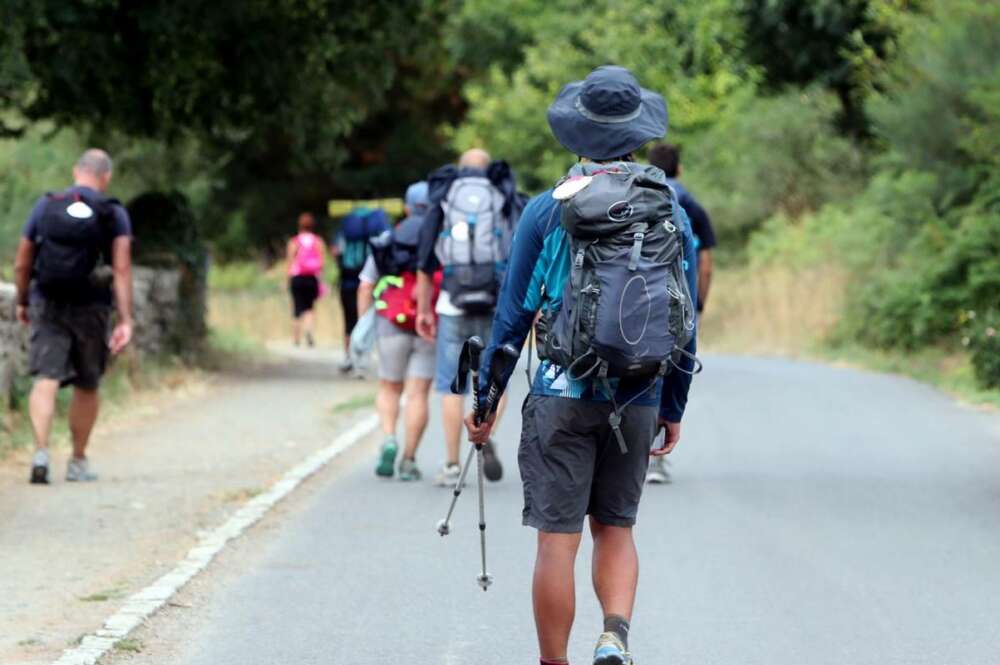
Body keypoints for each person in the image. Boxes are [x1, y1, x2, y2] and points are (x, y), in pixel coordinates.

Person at [464, 66, 698, 665]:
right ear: (639, 136)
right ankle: (614, 634)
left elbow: (513, 315)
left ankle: (554, 662)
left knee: (557, 541)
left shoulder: (547, 210)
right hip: (639, 392)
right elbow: (684, 314)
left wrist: (486, 399)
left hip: (560, 393)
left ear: (575, 136)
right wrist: (672, 406)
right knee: (616, 529)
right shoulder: (669, 209)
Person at [12, 149, 133, 485]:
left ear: (75, 170)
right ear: (105, 176)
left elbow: (23, 261)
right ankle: (77, 461)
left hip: (48, 301)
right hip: (92, 305)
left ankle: (40, 453)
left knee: (45, 378)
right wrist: (125, 318)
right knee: (87, 382)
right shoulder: (112, 213)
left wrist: (23, 300)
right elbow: (121, 268)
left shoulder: (46, 205)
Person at [415, 148, 522, 487]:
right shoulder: (502, 195)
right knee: (497, 380)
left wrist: (422, 308)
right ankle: (484, 426)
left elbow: (424, 258)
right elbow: (519, 251)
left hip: (452, 303)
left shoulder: (445, 195)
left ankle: (450, 463)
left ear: (460, 169)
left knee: (451, 384)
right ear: (488, 168)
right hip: (495, 302)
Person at [645, 143, 717, 485]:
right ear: (680, 169)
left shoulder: (638, 195)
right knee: (668, 368)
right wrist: (699, 301)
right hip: (678, 298)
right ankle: (656, 459)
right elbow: (705, 262)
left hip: (637, 299)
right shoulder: (689, 206)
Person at [357, 182, 437, 481]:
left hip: (390, 322)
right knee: (418, 394)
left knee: (390, 387)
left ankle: (389, 438)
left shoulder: (388, 238)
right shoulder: (438, 240)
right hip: (427, 323)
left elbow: (366, 284)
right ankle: (408, 459)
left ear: (406, 207)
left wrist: (363, 322)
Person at [333, 206, 390, 372]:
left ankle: (349, 357)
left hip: (348, 279)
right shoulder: (379, 228)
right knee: (373, 320)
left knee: (349, 320)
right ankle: (367, 358)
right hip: (375, 282)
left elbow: (337, 249)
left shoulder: (346, 229)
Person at [287, 212, 326, 347]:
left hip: (297, 277)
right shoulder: (317, 241)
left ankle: (296, 338)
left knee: (297, 307)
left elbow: (290, 262)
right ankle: (309, 331)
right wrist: (322, 280)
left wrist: (287, 279)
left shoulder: (294, 241)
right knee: (309, 307)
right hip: (311, 278)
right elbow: (322, 262)